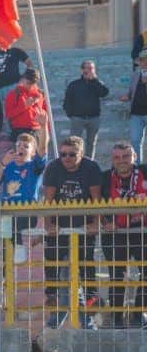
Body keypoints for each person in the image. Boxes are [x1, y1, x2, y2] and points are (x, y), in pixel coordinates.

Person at [40, 135, 103, 328]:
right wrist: (48, 225)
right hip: (60, 226)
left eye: (72, 154)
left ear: (82, 154)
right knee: (52, 261)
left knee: (86, 266)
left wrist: (95, 223)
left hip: (83, 226)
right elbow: (48, 201)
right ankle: (53, 301)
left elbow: (97, 201)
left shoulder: (91, 168)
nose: (66, 158)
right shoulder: (53, 167)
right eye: (63, 154)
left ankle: (90, 310)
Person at [103, 141, 147, 327]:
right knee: (116, 275)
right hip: (116, 234)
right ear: (112, 160)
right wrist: (105, 222)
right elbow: (93, 202)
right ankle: (116, 317)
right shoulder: (104, 177)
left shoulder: (145, 171)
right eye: (117, 157)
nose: (122, 161)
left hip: (143, 232)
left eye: (126, 156)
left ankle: (139, 313)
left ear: (135, 158)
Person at [62, 60, 109, 159]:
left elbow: (104, 93)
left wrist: (94, 80)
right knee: (74, 143)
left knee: (91, 143)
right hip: (78, 118)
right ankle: (74, 160)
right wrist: (71, 115)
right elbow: (67, 101)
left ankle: (89, 162)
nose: (88, 70)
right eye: (86, 68)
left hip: (94, 118)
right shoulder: (74, 84)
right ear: (82, 70)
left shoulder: (97, 83)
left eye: (91, 68)